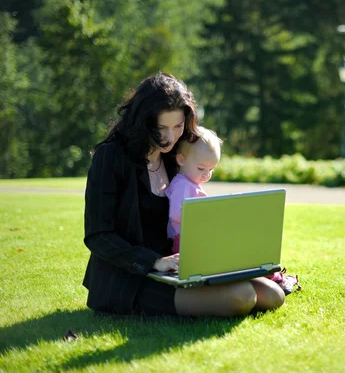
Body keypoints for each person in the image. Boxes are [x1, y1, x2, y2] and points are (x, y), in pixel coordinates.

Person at [83, 73, 285, 316]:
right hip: (132, 277)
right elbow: (98, 235)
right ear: (143, 122)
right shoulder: (112, 157)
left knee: (273, 294)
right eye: (161, 128)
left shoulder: (176, 155)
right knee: (242, 297)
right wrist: (155, 262)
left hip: (181, 266)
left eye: (178, 126)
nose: (170, 137)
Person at [166, 126, 222, 253]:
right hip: (183, 239)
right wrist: (203, 218)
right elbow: (176, 213)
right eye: (201, 168)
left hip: (191, 237)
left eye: (211, 169)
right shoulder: (182, 185)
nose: (207, 174)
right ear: (181, 160)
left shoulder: (191, 183)